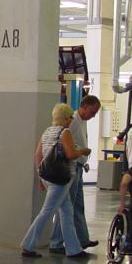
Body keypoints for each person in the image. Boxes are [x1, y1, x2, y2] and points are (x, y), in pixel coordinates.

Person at [20, 103, 91, 259]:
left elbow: (38, 155)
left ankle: (73, 249)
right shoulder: (65, 132)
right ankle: (28, 245)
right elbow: (71, 154)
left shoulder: (47, 131)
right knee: (47, 212)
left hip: (48, 177)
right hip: (61, 178)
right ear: (65, 118)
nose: (71, 120)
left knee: (67, 212)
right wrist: (83, 151)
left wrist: (40, 177)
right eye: (70, 117)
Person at [48, 94, 101, 253]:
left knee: (78, 205)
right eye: (92, 111)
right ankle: (56, 242)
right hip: (71, 167)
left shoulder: (83, 122)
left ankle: (82, 239)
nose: (93, 115)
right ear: (84, 106)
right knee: (66, 206)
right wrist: (80, 152)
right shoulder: (73, 122)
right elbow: (64, 144)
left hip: (79, 168)